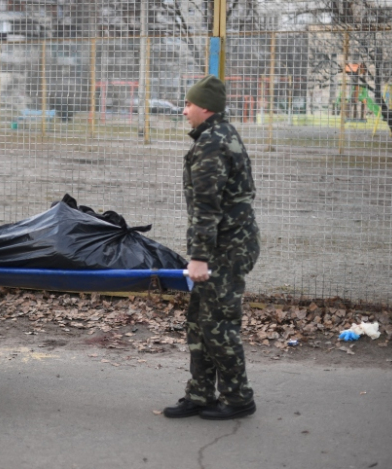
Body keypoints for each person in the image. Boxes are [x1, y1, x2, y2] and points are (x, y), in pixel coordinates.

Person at [162, 75, 260, 420]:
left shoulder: (212, 144)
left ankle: (238, 398)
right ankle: (202, 394)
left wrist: (200, 257)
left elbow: (207, 206)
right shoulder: (218, 135)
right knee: (199, 322)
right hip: (226, 244)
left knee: (217, 324)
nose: (184, 110)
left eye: (188, 104)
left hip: (226, 250)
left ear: (205, 107)